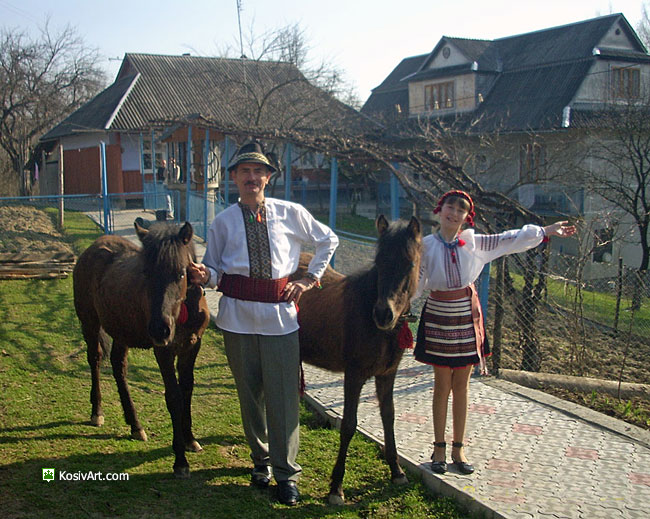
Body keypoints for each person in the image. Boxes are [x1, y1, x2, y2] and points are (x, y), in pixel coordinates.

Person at [188, 140, 338, 505]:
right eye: (244, 171)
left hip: (280, 321)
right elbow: (216, 270)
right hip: (237, 320)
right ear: (234, 178)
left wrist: (308, 279)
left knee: (284, 398)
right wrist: (203, 274)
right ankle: (261, 462)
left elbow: (327, 239)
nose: (251, 177)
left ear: (268, 177)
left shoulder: (291, 213)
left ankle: (287, 474)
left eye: (258, 171)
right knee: (250, 395)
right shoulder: (222, 222)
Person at [414, 190, 576, 475]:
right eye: (449, 208)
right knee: (441, 384)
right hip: (439, 314)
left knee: (461, 386)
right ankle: (438, 447)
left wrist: (546, 230)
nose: (453, 214)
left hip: (465, 315)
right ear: (439, 210)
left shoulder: (473, 242)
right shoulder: (424, 246)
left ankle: (458, 448)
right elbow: (415, 280)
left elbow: (508, 239)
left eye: (459, 211)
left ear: (466, 217)